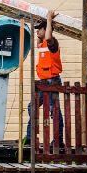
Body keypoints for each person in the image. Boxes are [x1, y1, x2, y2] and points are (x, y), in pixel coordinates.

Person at [24, 10, 64, 147]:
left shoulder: (53, 43)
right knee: (32, 107)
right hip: (43, 82)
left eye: (39, 30)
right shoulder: (42, 45)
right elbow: (40, 41)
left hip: (52, 81)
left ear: (46, 30)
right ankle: (30, 138)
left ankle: (58, 140)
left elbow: (47, 37)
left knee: (54, 110)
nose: (37, 32)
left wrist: (48, 19)